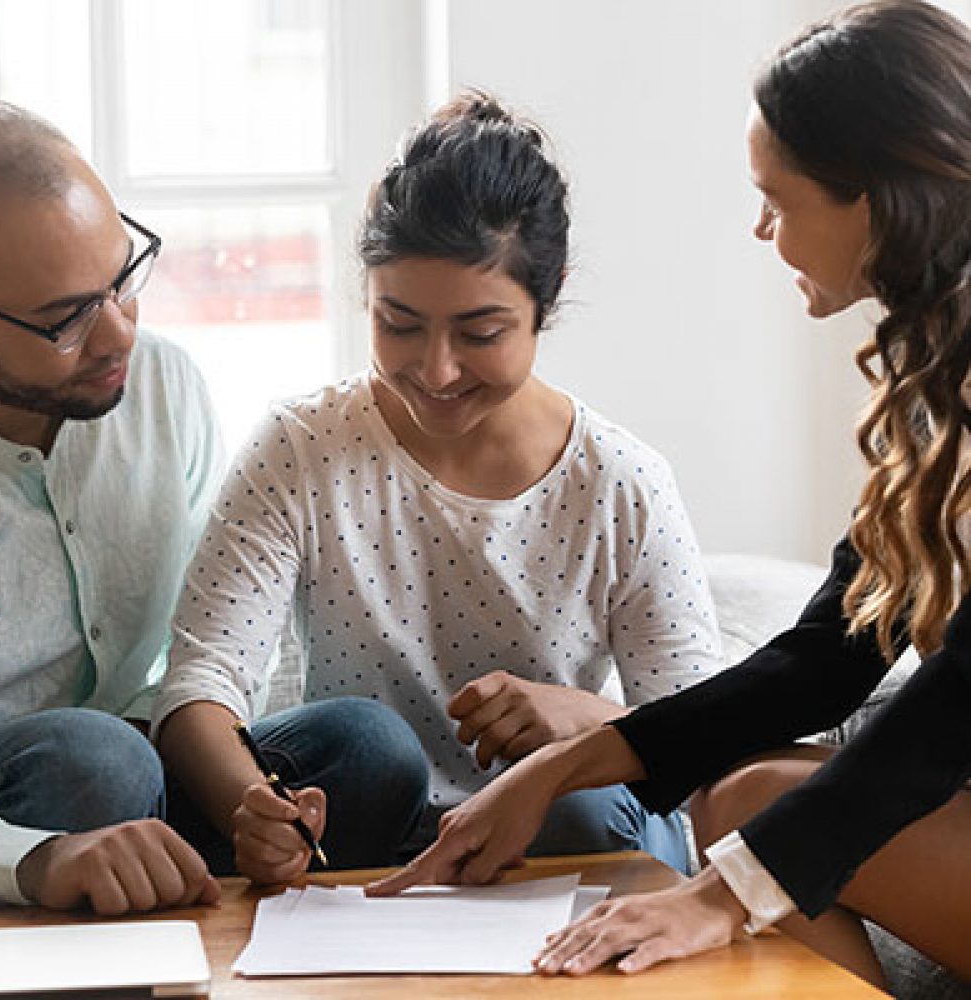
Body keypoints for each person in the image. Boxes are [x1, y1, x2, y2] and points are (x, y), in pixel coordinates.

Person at [368, 0, 971, 989]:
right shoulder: (928, 396)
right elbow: (825, 663)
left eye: (777, 196)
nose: (761, 225)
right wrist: (553, 770)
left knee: (746, 819)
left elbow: (953, 707)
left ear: (865, 194)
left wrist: (715, 897)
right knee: (741, 792)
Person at [151, 92, 722, 885]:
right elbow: (201, 681)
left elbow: (711, 737)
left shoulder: (622, 483)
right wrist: (251, 803)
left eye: (480, 333)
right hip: (363, 827)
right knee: (368, 743)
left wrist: (584, 720)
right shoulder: (302, 446)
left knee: (576, 798)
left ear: (546, 295)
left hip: (554, 837)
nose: (437, 369)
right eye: (400, 324)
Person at [0, 100, 225, 914]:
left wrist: (246, 782)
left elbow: (217, 632)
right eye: (68, 318)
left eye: (122, 278)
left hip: (145, 756)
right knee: (99, 762)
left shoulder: (164, 385)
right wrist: (30, 860)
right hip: (15, 800)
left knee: (362, 748)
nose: (118, 336)